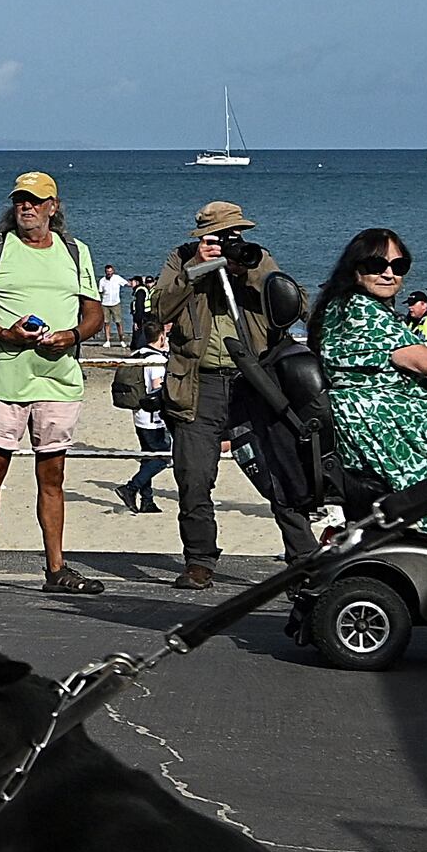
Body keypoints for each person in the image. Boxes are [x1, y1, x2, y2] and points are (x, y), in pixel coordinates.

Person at [0, 172, 102, 595]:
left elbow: (94, 313)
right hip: (3, 380)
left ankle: (56, 569)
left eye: (35, 201)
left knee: (52, 476)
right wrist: (5, 334)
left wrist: (70, 336)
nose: (26, 207)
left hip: (59, 380)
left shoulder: (75, 251)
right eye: (20, 200)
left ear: (54, 206)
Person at [142, 198, 291, 591]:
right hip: (198, 382)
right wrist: (195, 271)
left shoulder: (258, 259)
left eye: (235, 235)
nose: (229, 243)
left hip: (253, 381)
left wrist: (250, 271)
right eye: (221, 237)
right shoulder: (182, 259)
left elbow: (294, 304)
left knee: (280, 473)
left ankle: (302, 557)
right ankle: (199, 561)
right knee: (193, 477)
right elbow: (158, 310)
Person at [316, 226, 427, 543]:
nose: (388, 274)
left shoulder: (343, 307)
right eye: (376, 266)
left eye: (398, 267)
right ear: (355, 269)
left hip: (380, 418)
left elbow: (407, 384)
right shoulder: (361, 310)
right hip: (381, 428)